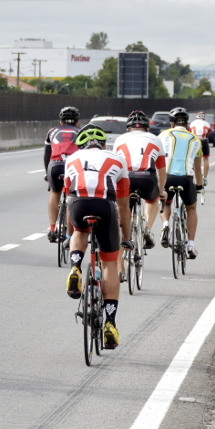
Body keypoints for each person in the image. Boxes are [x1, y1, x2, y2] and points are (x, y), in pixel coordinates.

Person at [63, 124, 132, 349]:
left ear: (81, 144)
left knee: (79, 231)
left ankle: (75, 265)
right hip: (105, 205)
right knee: (110, 263)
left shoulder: (72, 158)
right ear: (104, 144)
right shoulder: (117, 159)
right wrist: (127, 236)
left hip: (78, 204)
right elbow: (123, 205)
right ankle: (110, 322)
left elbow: (67, 197)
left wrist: (68, 232)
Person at [113, 110, 169, 250]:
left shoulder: (120, 139)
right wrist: (161, 190)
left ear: (128, 128)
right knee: (152, 200)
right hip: (147, 179)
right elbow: (162, 170)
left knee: (123, 208)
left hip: (127, 179)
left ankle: (125, 238)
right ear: (147, 127)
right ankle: (147, 229)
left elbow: (114, 166)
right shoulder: (155, 139)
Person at [159, 107, 202, 259]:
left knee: (166, 202)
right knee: (191, 208)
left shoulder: (163, 135)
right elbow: (197, 169)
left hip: (167, 177)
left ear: (172, 123)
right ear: (187, 123)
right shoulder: (195, 139)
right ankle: (190, 244)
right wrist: (199, 185)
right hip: (186, 178)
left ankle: (165, 225)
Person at [44, 106, 81, 242]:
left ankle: (53, 228)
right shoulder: (80, 132)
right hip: (73, 165)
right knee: (72, 196)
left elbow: (47, 155)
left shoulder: (52, 131)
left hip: (55, 165)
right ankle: (69, 235)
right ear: (77, 122)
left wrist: (47, 174)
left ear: (61, 121)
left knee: (55, 192)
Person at [188, 111, 214, 187]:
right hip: (204, 140)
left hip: (195, 140)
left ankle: (191, 175)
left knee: (193, 158)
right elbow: (209, 133)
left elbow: (190, 133)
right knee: (206, 159)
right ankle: (205, 177)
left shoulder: (192, 123)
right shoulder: (207, 123)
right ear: (204, 117)